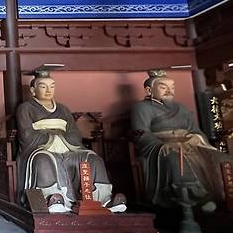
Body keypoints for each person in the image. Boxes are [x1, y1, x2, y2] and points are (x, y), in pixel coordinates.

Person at [16, 69, 126, 213]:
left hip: (67, 147)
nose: (48, 90)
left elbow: (74, 133)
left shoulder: (63, 109)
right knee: (43, 160)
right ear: (33, 90)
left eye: (52, 86)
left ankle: (103, 199)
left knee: (93, 159)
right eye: (43, 86)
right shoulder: (25, 108)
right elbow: (26, 135)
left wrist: (60, 138)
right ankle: (50, 198)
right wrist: (52, 137)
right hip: (42, 148)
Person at [131, 70, 227, 211]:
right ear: (149, 90)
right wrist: (161, 145)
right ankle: (194, 203)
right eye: (163, 87)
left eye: (172, 87)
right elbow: (140, 133)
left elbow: (195, 130)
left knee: (222, 158)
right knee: (176, 160)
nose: (169, 91)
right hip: (163, 147)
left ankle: (223, 197)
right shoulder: (141, 107)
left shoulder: (181, 108)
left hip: (190, 144)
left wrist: (196, 137)